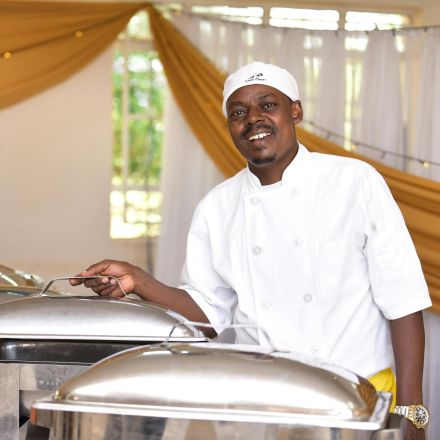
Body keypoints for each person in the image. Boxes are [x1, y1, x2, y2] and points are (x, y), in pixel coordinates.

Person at [71, 62, 431, 439]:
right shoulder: (217, 207)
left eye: (267, 105)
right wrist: (140, 281)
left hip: (358, 398)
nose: (253, 120)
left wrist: (412, 412)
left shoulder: (355, 182)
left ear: (295, 111)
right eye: (238, 112)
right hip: (262, 404)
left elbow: (402, 300)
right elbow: (209, 317)